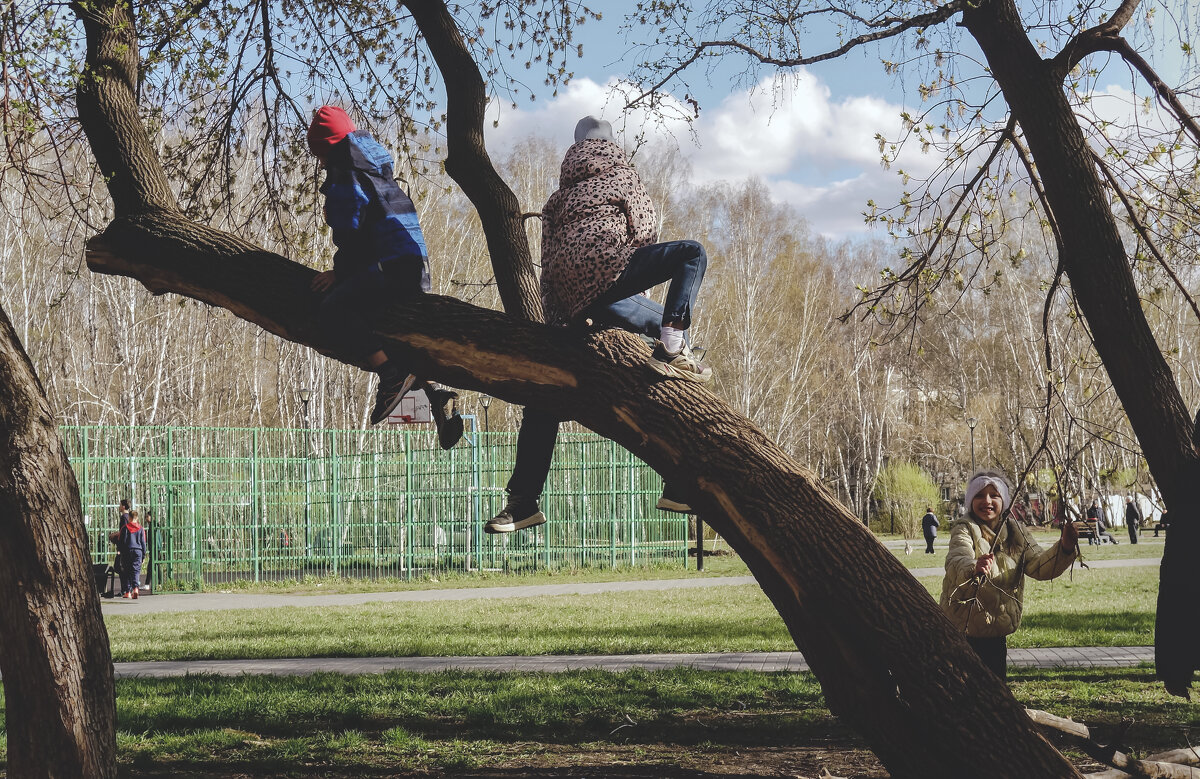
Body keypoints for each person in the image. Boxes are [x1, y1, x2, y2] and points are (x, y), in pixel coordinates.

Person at [485, 116, 713, 534]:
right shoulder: (622, 174)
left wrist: (558, 319)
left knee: (546, 396)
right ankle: (674, 352)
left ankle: (521, 502)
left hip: (568, 299)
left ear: (574, 152)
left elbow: (550, 260)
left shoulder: (558, 197)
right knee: (691, 255)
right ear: (611, 145)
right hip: (608, 274)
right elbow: (645, 231)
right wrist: (619, 259)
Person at [307, 105, 464, 445]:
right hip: (411, 267)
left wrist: (340, 272)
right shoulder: (376, 168)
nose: (319, 163)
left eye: (319, 154)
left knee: (334, 309)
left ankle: (390, 374)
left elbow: (349, 228)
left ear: (325, 148)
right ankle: (435, 402)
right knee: (391, 333)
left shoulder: (346, 170)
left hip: (387, 267)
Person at [940, 470, 1079, 680]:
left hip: (996, 629)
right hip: (964, 628)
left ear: (1004, 500)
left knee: (995, 687)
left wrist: (1065, 549)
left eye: (994, 495)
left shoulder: (1016, 531)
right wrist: (973, 567)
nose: (986, 501)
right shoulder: (964, 528)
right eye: (979, 495)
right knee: (964, 687)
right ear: (970, 501)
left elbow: (1039, 566)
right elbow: (956, 559)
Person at [116, 509, 147, 599]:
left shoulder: (125, 528)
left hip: (127, 551)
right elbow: (143, 542)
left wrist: (120, 551)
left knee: (127, 571)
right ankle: (135, 588)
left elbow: (121, 541)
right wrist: (143, 555)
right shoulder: (141, 529)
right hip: (138, 551)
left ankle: (128, 592)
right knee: (136, 571)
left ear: (129, 518)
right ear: (136, 518)